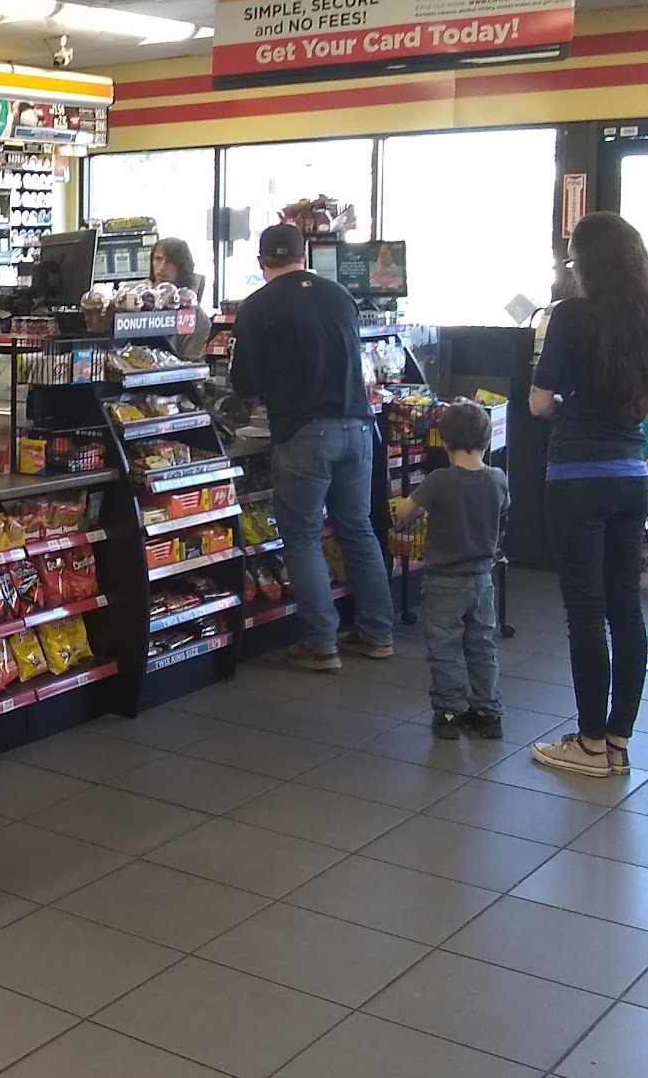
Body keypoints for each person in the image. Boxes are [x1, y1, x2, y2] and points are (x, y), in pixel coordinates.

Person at [529, 211, 648, 778]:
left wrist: (567, 405)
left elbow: (539, 402)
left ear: (585, 263)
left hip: (576, 478)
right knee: (626, 608)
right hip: (631, 476)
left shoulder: (570, 316)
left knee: (585, 613)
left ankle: (589, 743)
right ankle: (618, 742)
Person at [230, 222, 400, 671]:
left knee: (302, 537)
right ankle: (378, 633)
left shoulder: (256, 306)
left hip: (305, 432)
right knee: (358, 529)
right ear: (303, 256)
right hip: (358, 425)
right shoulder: (340, 295)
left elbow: (243, 381)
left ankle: (321, 644)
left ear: (261, 263)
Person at [393, 399, 508, 737]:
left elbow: (404, 512)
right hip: (482, 579)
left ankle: (448, 714)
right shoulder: (497, 478)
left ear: (445, 442)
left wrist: (409, 506)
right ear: (487, 440)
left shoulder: (439, 480)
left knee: (444, 648)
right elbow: (504, 508)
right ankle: (489, 713)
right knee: (482, 645)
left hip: (444, 580)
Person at [150, 236, 210, 361]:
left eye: (170, 262)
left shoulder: (194, 314)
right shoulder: (136, 297)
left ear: (182, 266)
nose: (162, 266)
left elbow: (192, 364)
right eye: (158, 259)